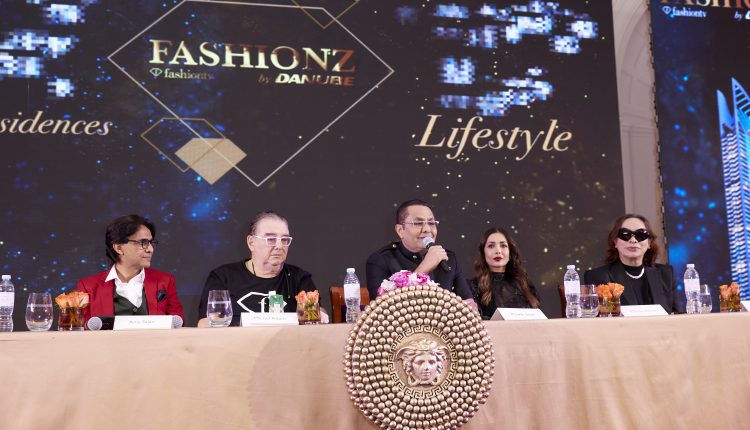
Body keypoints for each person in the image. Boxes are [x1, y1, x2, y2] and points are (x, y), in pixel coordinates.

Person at [198, 211, 323, 326]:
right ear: (251, 242)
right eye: (271, 239)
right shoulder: (223, 277)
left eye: (284, 239)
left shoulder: (298, 278)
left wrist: (319, 314)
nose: (279, 246)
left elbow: (318, 314)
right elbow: (205, 323)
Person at [76, 214, 184, 325]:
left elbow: (179, 325)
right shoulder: (88, 286)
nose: (150, 249)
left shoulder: (165, 281)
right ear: (119, 248)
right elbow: (83, 328)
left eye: (151, 243)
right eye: (143, 242)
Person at [365, 199, 475, 306]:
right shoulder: (380, 260)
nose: (427, 229)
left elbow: (468, 302)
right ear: (400, 230)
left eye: (431, 223)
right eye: (418, 223)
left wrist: (470, 306)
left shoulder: (448, 258)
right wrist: (424, 267)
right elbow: (381, 308)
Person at [583, 214, 677, 313]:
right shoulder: (597, 277)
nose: (633, 240)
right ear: (615, 241)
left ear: (649, 243)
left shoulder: (665, 274)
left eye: (640, 235)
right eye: (625, 234)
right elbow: (595, 317)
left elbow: (678, 315)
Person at [469, 227, 540, 319]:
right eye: (491, 246)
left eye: (503, 246)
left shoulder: (526, 284)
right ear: (483, 253)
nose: (498, 251)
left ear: (510, 252)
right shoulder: (473, 286)